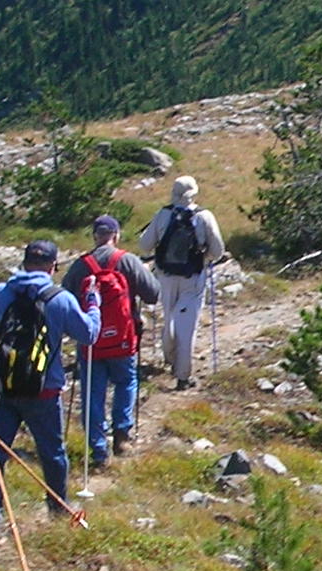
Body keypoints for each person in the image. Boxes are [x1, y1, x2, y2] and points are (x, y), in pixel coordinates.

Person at [0, 238, 99, 534]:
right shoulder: (60, 299)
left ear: (24, 262)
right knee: (52, 453)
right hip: (44, 389)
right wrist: (93, 304)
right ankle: (57, 508)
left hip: (2, 389)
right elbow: (89, 334)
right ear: (53, 266)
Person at [63, 214, 158, 469]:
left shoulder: (81, 266)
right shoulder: (127, 261)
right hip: (123, 339)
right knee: (126, 382)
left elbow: (65, 299)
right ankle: (122, 436)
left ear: (95, 236)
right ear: (116, 235)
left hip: (91, 341)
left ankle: (98, 449)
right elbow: (153, 294)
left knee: (92, 392)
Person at [136, 176, 226, 389]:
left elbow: (144, 245)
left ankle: (169, 357)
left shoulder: (163, 214)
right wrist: (203, 256)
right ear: (194, 193)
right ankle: (183, 376)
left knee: (169, 317)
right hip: (192, 277)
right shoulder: (204, 216)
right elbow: (218, 251)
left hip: (165, 276)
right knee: (187, 325)